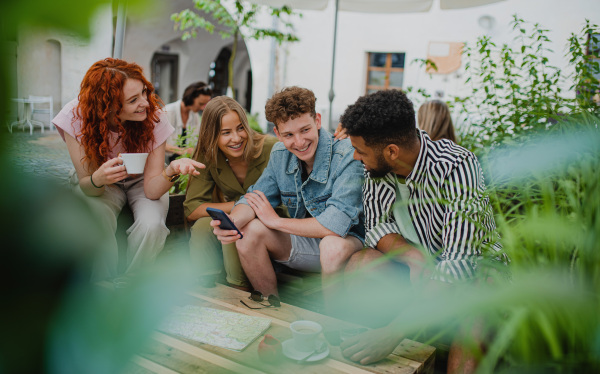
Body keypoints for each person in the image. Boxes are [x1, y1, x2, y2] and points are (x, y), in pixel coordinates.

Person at [338, 89, 503, 372]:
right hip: (420, 272)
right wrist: (412, 255)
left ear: (392, 151)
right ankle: (359, 359)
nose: (355, 156)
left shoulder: (457, 165)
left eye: (360, 151)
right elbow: (377, 226)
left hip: (472, 279)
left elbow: (459, 264)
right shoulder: (377, 166)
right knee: (360, 263)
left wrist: (393, 333)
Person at [52, 58, 204, 281]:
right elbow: (87, 185)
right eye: (133, 100)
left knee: (152, 226)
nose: (145, 102)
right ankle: (100, 285)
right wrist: (99, 178)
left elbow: (152, 190)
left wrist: (171, 170)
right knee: (95, 219)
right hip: (100, 179)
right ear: (108, 106)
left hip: (144, 179)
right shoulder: (75, 117)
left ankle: (131, 286)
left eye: (144, 92)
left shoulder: (154, 116)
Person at [211, 86, 365, 302]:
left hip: (349, 241)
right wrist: (232, 223)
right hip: (307, 242)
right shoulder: (280, 154)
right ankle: (270, 307)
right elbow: (254, 197)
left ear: (318, 121)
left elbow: (335, 225)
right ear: (277, 134)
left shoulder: (347, 154)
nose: (299, 142)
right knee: (248, 231)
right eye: (289, 135)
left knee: (331, 246)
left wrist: (276, 222)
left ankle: (333, 327)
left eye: (305, 130)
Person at [184, 96, 284, 289]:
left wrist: (244, 209)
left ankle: (238, 289)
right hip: (243, 213)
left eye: (240, 128)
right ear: (212, 135)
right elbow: (193, 208)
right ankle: (204, 285)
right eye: (225, 133)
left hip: (273, 221)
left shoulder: (270, 148)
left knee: (233, 226)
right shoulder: (209, 154)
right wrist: (241, 205)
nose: (236, 138)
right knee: (204, 225)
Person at [164, 82, 213, 162]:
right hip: (165, 162)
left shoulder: (195, 116)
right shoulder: (167, 112)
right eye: (201, 104)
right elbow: (156, 144)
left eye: (205, 104)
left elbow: (197, 140)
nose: (202, 108)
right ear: (191, 98)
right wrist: (182, 151)